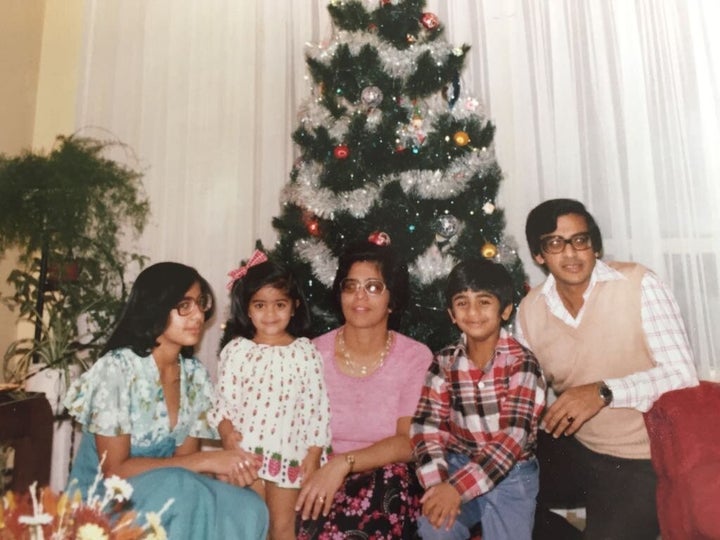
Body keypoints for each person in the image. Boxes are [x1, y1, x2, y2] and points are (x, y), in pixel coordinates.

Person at [515, 199, 699, 540]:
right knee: (508, 502)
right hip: (576, 447)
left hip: (643, 456)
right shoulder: (530, 310)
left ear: (595, 246)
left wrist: (603, 392)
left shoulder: (638, 284)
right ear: (539, 255)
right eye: (555, 243)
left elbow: (681, 375)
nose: (571, 253)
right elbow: (525, 393)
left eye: (580, 240)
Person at [64, 262, 269, 539]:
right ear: (155, 308)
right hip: (102, 499)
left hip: (167, 490)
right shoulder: (116, 370)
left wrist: (222, 472)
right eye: (184, 305)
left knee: (246, 506)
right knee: (182, 487)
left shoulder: (194, 377)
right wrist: (209, 462)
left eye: (200, 303)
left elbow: (184, 462)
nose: (198, 314)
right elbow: (115, 471)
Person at [295, 238, 434, 539]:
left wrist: (343, 465)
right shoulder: (310, 354)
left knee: (392, 477)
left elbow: (408, 443)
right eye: (350, 286)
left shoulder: (415, 357)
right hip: (319, 477)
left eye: (373, 287)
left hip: (384, 481)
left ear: (392, 300)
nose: (359, 296)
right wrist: (322, 471)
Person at [411, 258, 545, 540]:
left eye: (484, 302)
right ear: (451, 312)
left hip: (513, 475)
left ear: (505, 310)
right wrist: (439, 488)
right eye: (462, 303)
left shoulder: (522, 364)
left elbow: (512, 437)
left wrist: (457, 489)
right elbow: (427, 427)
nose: (472, 312)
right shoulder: (444, 362)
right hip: (459, 464)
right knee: (436, 527)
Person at [209, 250, 332, 540]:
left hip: (290, 453)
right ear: (247, 308)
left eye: (280, 304)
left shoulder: (305, 352)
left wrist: (314, 455)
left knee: (282, 527)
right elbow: (223, 404)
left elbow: (317, 409)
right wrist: (227, 436)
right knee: (248, 525)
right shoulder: (237, 351)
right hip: (245, 454)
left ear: (294, 306)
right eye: (260, 305)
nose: (270, 314)